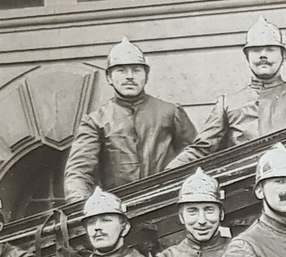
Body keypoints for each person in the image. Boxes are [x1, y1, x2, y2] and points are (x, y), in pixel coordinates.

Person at [167, 17, 286, 169]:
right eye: (256, 50)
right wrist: (164, 175)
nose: (263, 55)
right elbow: (201, 149)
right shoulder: (227, 103)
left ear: (283, 56)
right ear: (247, 57)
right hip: (241, 192)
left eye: (270, 49)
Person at [62, 38, 195, 209]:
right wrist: (83, 208)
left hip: (167, 209)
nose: (129, 77)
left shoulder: (171, 112)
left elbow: (194, 155)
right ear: (109, 77)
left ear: (146, 76)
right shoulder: (96, 121)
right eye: (121, 71)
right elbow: (79, 172)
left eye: (136, 70)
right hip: (120, 213)